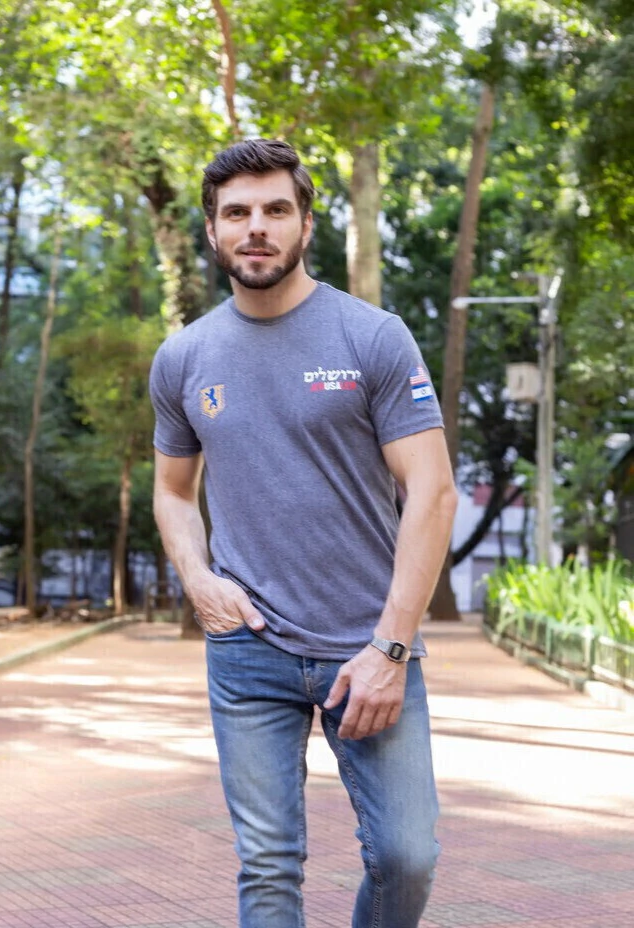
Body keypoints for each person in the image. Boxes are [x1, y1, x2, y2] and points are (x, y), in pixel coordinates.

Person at [149, 138, 458, 928]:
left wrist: (391, 649)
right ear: (212, 229)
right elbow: (174, 492)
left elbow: (433, 491)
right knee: (267, 865)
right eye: (237, 213)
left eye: (275, 209)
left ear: (306, 224)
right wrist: (198, 579)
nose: (256, 227)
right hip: (248, 649)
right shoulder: (183, 357)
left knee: (406, 857)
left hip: (371, 644)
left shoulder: (372, 338)